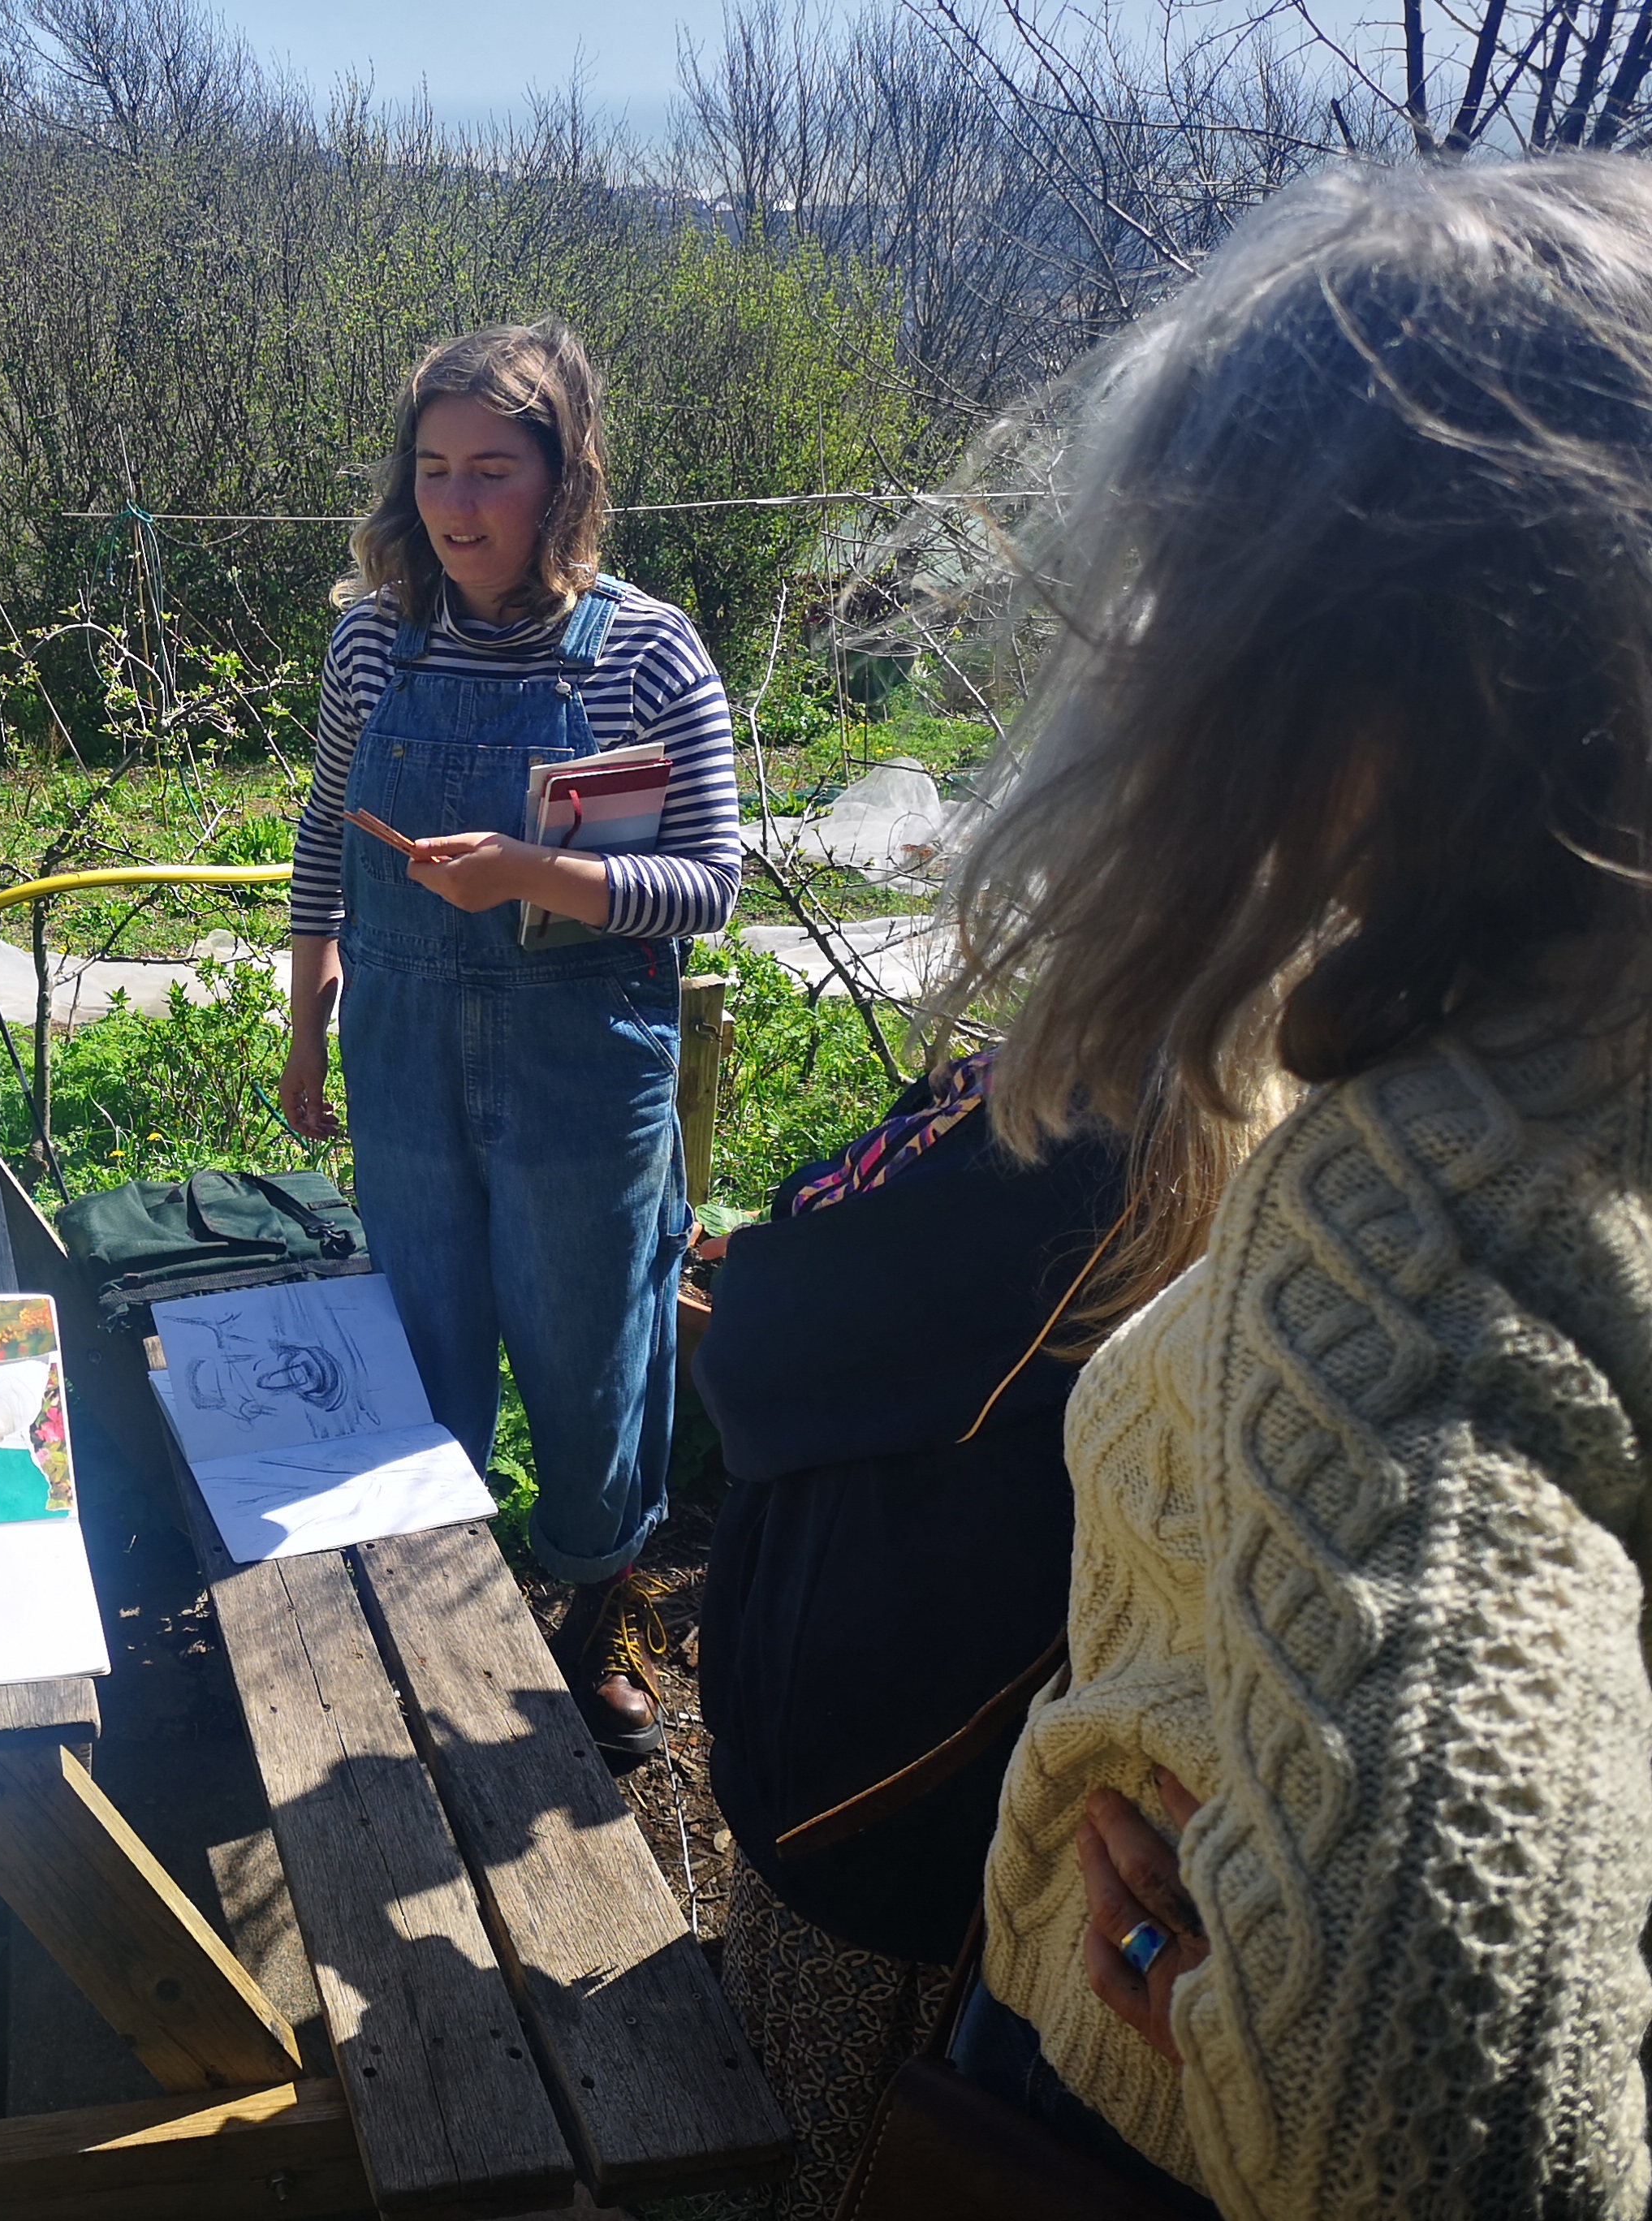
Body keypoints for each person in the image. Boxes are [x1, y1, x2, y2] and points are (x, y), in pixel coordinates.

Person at [935, 156, 1652, 2218]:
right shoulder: (1570, 1073)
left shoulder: (1421, 1223)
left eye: (1194, 598)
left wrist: (1269, 2025)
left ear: (1365, 669)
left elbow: (1445, 2150)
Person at [277, 321, 741, 1757]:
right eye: (433, 470)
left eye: (494, 469)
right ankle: (446, 1612)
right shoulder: (376, 636)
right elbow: (320, 842)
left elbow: (710, 884)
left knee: (589, 1350)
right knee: (424, 1343)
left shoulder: (649, 653)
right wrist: (308, 1029)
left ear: (564, 478)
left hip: (579, 1072)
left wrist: (537, 876)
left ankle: (595, 1624)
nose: (458, 505)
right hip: (403, 1048)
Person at [689, 1047, 1124, 2215]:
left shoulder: (1097, 1139)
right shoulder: (1107, 1101)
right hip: (929, 1673)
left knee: (838, 2073)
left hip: (902, 1719)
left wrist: (778, 1259)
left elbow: (778, 1350)